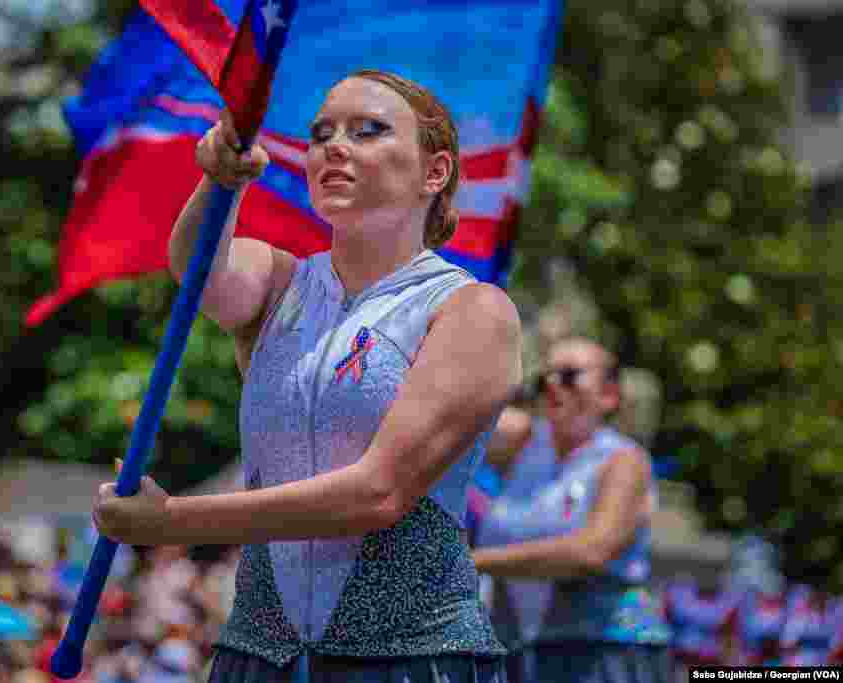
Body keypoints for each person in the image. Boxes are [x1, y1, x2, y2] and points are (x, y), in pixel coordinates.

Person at [92, 69, 521, 682]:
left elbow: (379, 492)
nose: (335, 146)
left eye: (369, 130)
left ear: (435, 172)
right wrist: (222, 179)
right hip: (259, 656)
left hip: (414, 660)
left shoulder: (472, 309)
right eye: (322, 133)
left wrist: (172, 522)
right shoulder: (280, 283)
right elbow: (198, 270)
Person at [472, 337, 671, 682]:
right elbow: (457, 415)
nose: (551, 384)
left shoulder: (624, 460)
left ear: (608, 395)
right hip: (522, 649)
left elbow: (592, 551)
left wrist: (471, 562)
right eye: (542, 379)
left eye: (568, 376)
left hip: (606, 650)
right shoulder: (522, 447)